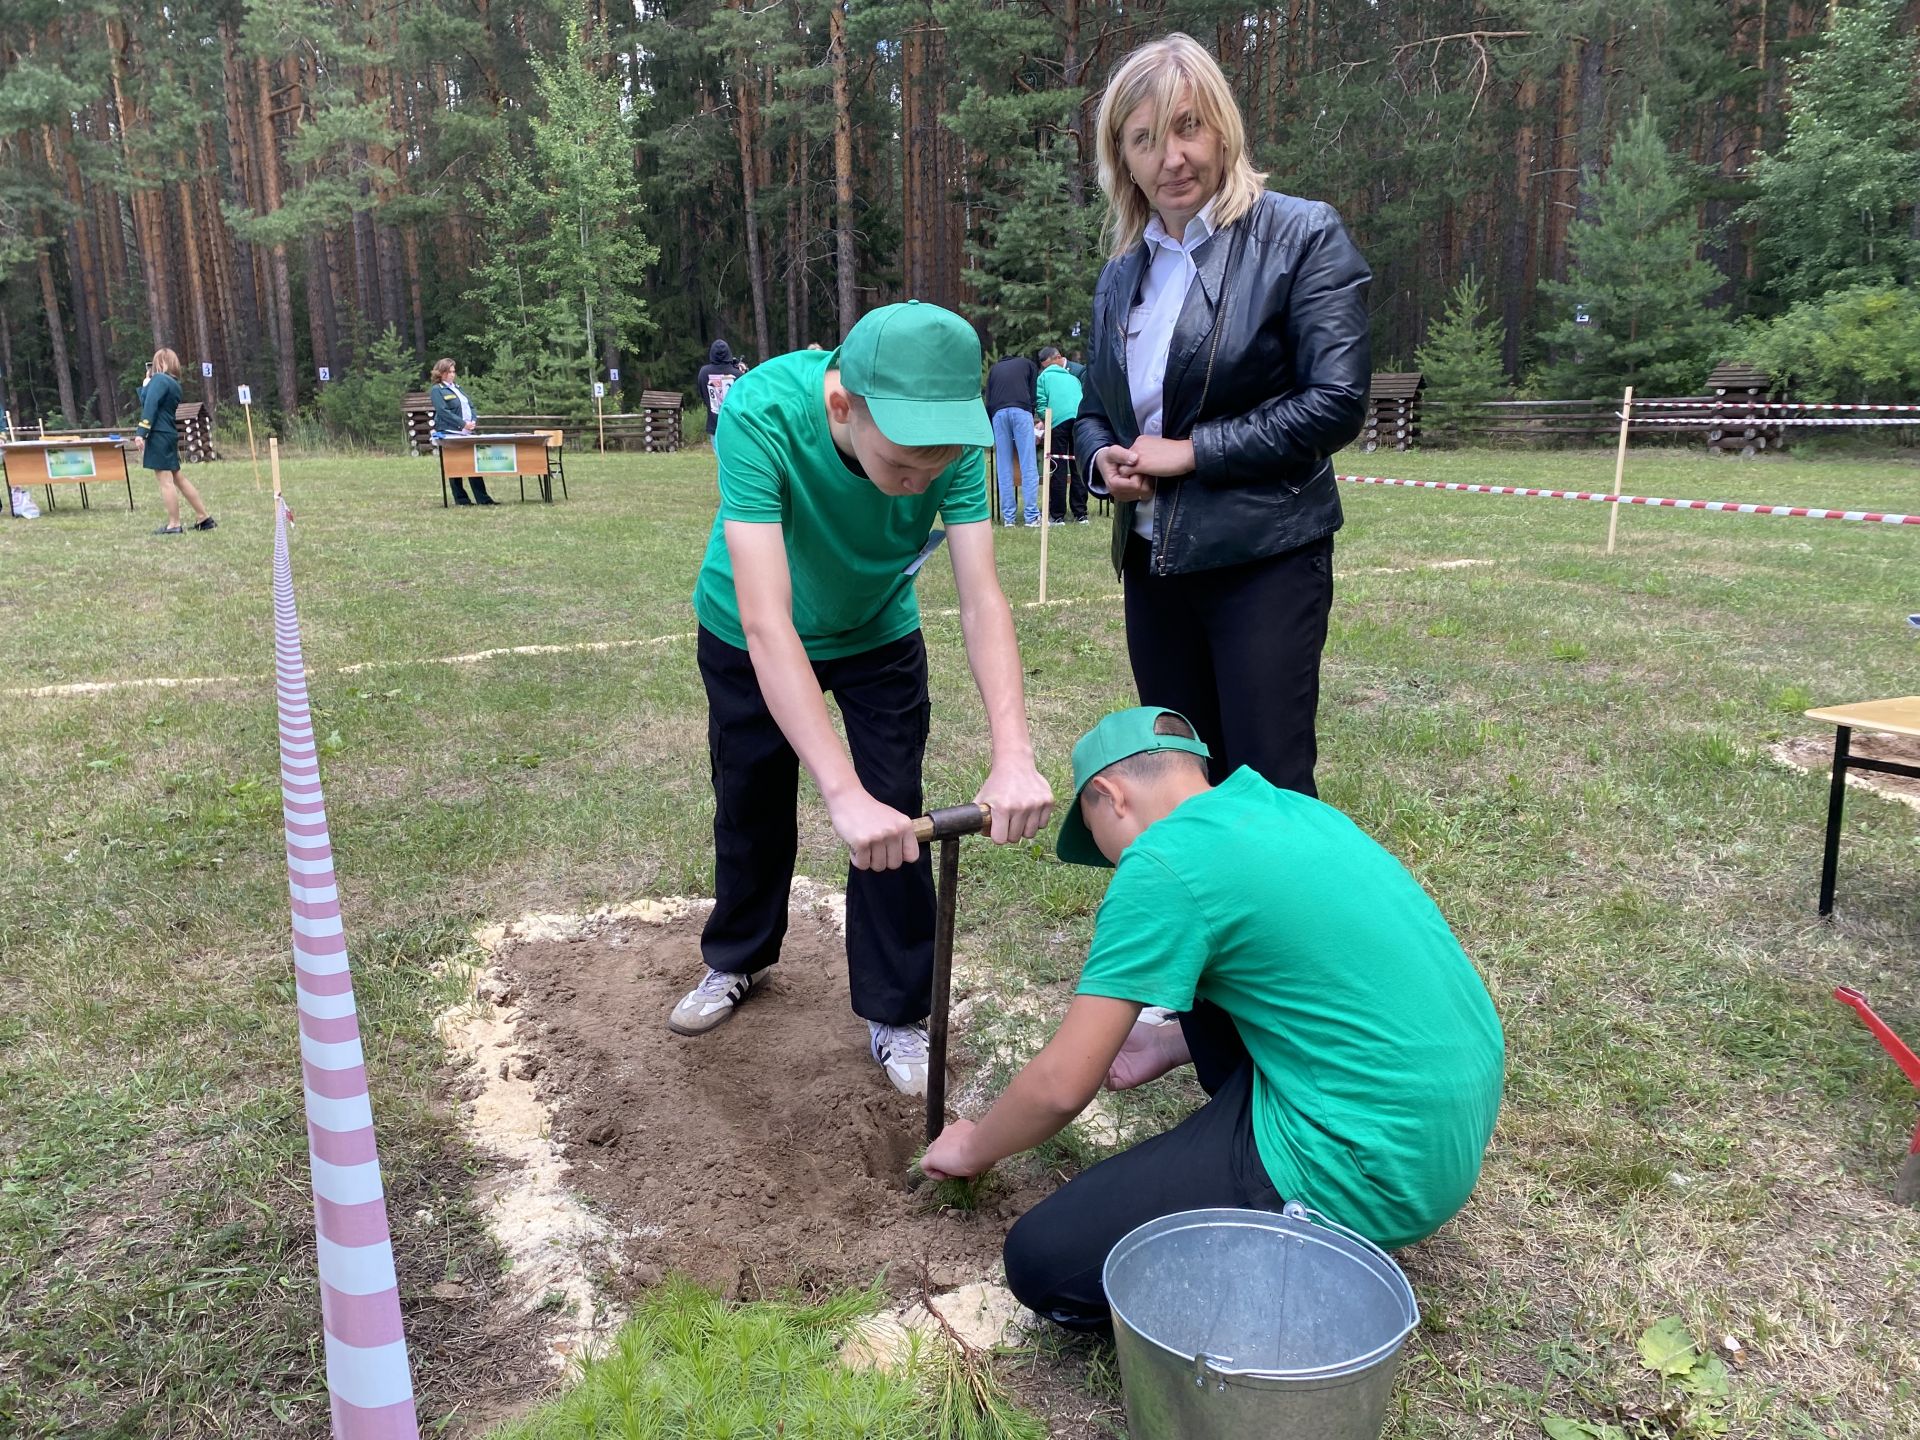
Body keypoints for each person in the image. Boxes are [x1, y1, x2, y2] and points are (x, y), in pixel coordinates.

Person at [922, 707, 1504, 1331]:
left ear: (1109, 796)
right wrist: (1174, 1042)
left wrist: (973, 1147)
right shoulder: (1286, 809)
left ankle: (1301, 1251)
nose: (1115, 864)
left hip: (1368, 1164)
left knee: (1046, 1260)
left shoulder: (1163, 861)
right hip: (1442, 1116)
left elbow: (1064, 1084)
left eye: (1098, 841)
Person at [676, 300, 1054, 1096]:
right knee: (752, 797)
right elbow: (766, 618)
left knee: (895, 808)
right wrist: (837, 792)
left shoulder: (947, 444)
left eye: (936, 465)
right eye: (903, 466)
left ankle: (896, 1011)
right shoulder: (762, 410)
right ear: (845, 407)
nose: (918, 486)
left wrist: (1013, 755)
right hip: (752, 633)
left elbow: (983, 599)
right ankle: (737, 957)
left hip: (878, 631)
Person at [1075, 34, 1371, 796]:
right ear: (1123, 158)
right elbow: (1091, 404)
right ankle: (1203, 920)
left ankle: (1283, 921)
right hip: (1151, 565)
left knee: (1265, 786)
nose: (1170, 157)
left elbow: (1335, 402)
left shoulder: (1302, 236)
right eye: (1144, 138)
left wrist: (1193, 452)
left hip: (1264, 560)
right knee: (1177, 780)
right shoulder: (1120, 274)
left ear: (1222, 129)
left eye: (1187, 127)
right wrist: (1101, 458)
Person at [135, 349, 215, 534]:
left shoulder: (159, 380)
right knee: (178, 477)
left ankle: (174, 524)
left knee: (166, 481)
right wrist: (146, 386)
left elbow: (150, 405)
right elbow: (152, 401)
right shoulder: (174, 383)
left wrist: (141, 432)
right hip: (169, 432)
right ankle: (204, 517)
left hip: (159, 433)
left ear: (160, 363)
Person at [985, 351, 1041, 528]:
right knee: (1028, 465)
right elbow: (1033, 394)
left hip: (998, 415)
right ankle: (1031, 517)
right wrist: (1031, 415)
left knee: (1004, 467)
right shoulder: (1028, 364)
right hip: (1021, 410)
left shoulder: (994, 370)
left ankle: (1009, 518)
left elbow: (989, 398)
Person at [428, 358, 494, 506]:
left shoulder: (457, 388)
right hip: (450, 432)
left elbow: (470, 406)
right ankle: (462, 499)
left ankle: (483, 499)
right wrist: (463, 423)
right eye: (448, 372)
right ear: (441, 373)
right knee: (455, 465)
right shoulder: (437, 390)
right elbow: (443, 411)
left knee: (474, 465)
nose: (452, 375)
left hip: (467, 432)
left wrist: (473, 421)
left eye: (453, 371)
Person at [1034, 347, 1087, 524]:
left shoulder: (1043, 378)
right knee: (1077, 467)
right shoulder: (1074, 378)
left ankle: (1057, 515)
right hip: (1078, 421)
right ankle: (1081, 514)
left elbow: (1041, 405)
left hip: (1058, 423)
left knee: (1058, 466)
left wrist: (1044, 421)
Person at [696, 339, 749, 439]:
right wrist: (743, 372)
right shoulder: (738, 375)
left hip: (714, 426)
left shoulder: (703, 372)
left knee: (719, 455)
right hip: (734, 427)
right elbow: (745, 398)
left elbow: (703, 394)